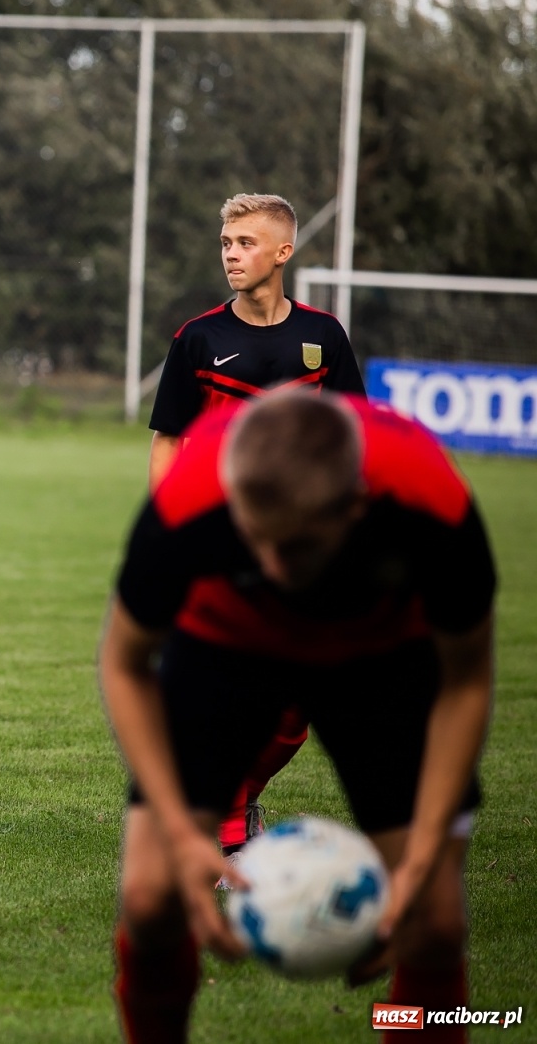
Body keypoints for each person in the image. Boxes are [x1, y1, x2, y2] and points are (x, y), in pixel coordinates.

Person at [100, 391, 495, 1044]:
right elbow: (124, 664)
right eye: (258, 542)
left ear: (356, 507)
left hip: (382, 654)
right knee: (150, 897)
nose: (278, 567)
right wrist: (180, 827)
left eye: (301, 546)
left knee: (435, 923)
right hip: (226, 644)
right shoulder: (189, 505)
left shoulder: (431, 507)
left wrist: (423, 858)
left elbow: (466, 681)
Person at [147, 193, 368, 865]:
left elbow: (354, 433)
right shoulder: (200, 337)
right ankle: (228, 833)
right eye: (226, 242)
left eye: (245, 242)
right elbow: (167, 440)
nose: (232, 254)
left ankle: (234, 798)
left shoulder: (324, 338)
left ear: (282, 251)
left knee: (299, 710)